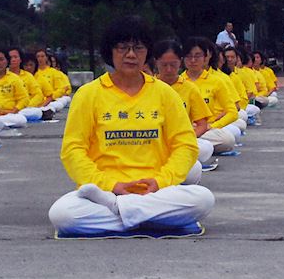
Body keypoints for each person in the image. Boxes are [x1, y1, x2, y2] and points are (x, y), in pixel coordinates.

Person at [49, 16, 213, 236]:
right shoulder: (88, 94)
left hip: (155, 191)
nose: (131, 54)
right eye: (123, 47)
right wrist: (111, 186)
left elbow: (186, 146)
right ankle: (147, 217)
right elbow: (72, 151)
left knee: (203, 200)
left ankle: (121, 212)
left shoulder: (165, 93)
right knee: (62, 215)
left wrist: (160, 181)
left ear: (147, 53)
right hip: (105, 192)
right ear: (110, 51)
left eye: (138, 47)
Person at [151, 38, 215, 174]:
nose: (169, 70)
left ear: (180, 62)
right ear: (156, 62)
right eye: (164, 65)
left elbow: (202, 124)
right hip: (152, 143)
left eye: (173, 65)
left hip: (180, 141)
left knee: (204, 151)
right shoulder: (148, 87)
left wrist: (188, 138)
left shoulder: (189, 88)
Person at [180, 37, 241, 154]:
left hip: (207, 129)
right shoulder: (178, 81)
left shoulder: (216, 81)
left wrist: (212, 126)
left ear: (205, 58)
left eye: (197, 56)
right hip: (182, 129)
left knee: (227, 140)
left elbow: (232, 112)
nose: (193, 60)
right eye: (188, 56)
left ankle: (189, 147)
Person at [0, 47, 30, 132]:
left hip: (10, 114)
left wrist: (13, 111)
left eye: (1, 59)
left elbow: (24, 98)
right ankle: (0, 125)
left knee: (21, 119)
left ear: (7, 61)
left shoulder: (15, 78)